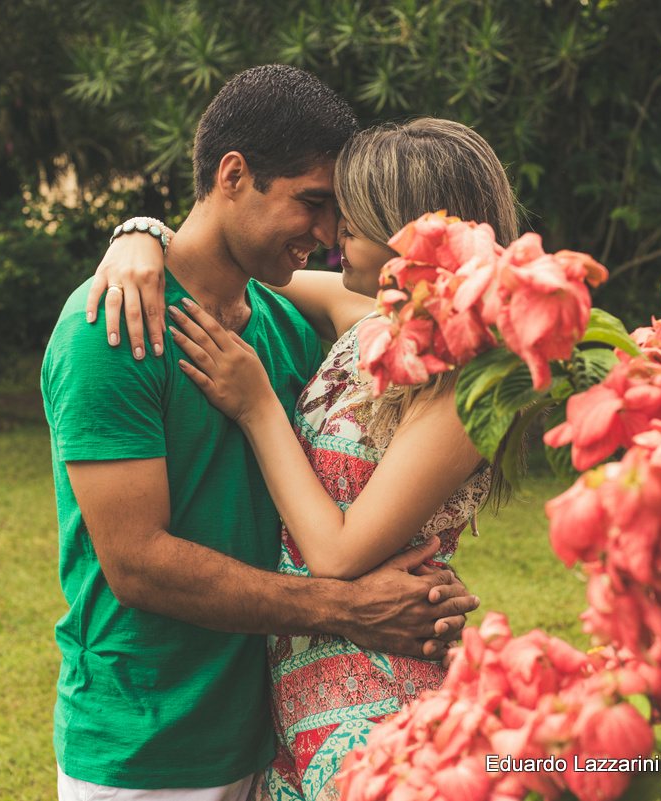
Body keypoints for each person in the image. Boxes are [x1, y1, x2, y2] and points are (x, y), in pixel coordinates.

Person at [42, 68, 477, 801]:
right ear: (234, 175)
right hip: (150, 743)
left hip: (279, 728)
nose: (332, 233)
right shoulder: (110, 330)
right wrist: (345, 608)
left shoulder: (284, 323)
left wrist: (142, 229)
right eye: (313, 203)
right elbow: (138, 564)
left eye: (339, 211)